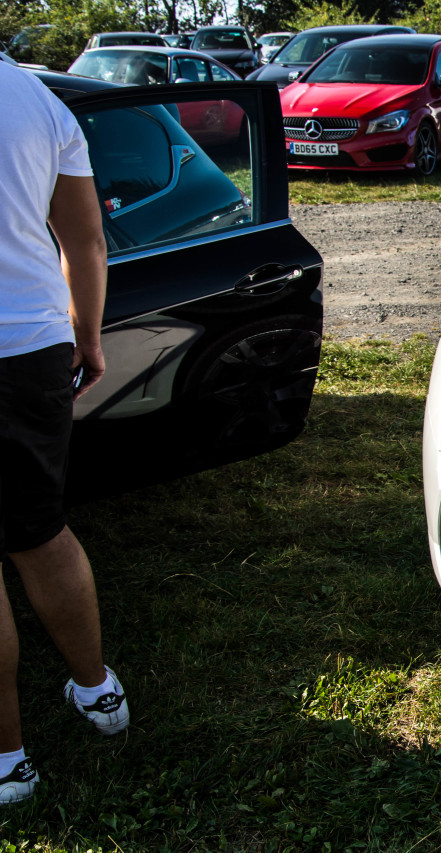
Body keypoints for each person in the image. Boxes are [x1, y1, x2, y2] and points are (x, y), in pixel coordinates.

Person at [0, 61, 129, 806]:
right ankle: (98, 692)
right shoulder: (39, 101)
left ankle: (8, 760)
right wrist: (89, 337)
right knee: (41, 531)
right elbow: (87, 242)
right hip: (32, 349)